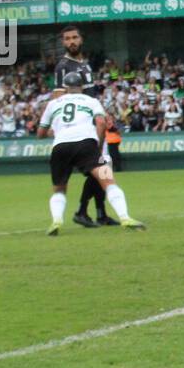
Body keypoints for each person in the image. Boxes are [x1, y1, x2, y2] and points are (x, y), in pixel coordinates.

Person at [37, 71, 144, 234]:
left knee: (59, 189)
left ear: (65, 87)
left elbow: (40, 134)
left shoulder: (53, 103)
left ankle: (56, 221)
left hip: (60, 147)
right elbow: (100, 122)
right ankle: (125, 217)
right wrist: (99, 145)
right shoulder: (91, 101)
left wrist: (58, 131)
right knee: (108, 181)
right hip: (85, 144)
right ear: (82, 86)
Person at [53, 26, 117, 227]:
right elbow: (58, 97)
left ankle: (100, 213)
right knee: (102, 167)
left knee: (103, 167)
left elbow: (90, 96)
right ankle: (83, 211)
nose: (71, 41)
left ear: (81, 40)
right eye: (67, 39)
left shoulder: (85, 64)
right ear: (63, 43)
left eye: (74, 37)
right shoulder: (63, 66)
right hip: (84, 128)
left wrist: (103, 113)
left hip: (94, 122)